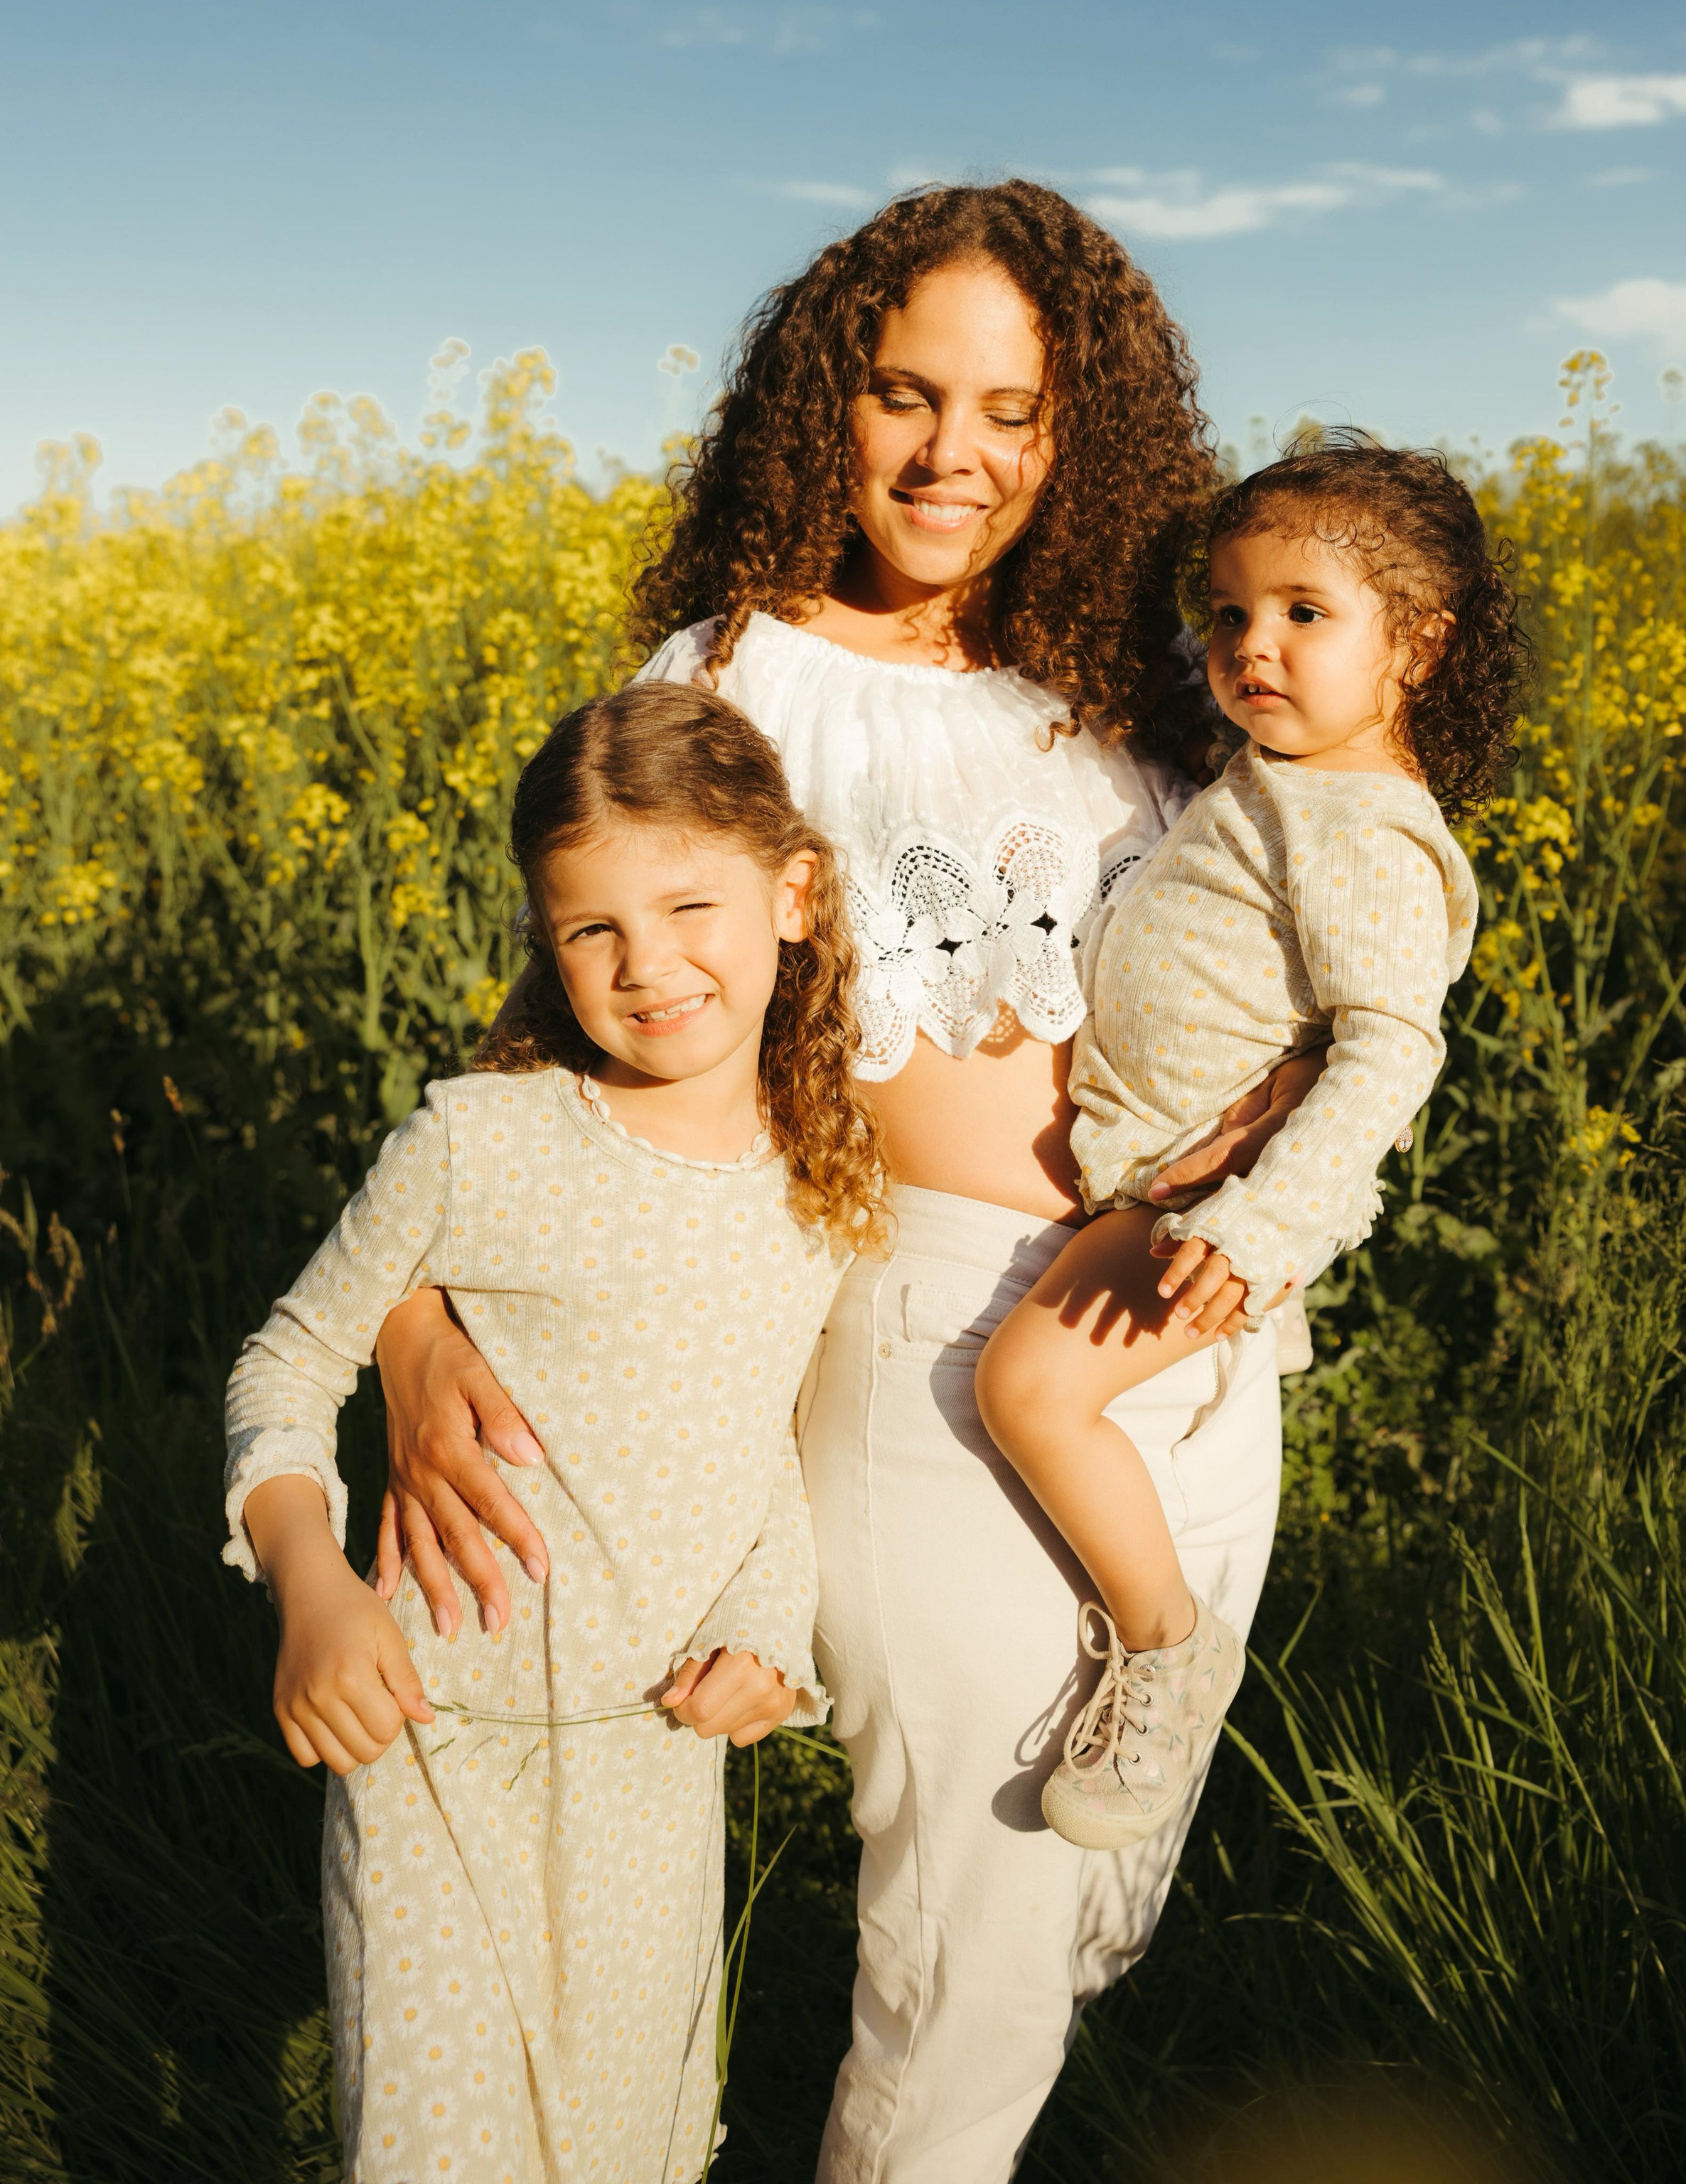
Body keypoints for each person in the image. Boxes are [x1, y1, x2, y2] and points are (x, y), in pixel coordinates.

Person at [369, 181, 1326, 2183]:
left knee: (1092, 1908)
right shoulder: (738, 678)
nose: (955, 455)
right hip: (949, 1341)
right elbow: (589, 1007)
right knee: (969, 1964)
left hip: (1204, 1329)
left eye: (1013, 410)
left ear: (1079, 437)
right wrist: (406, 1314)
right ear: (832, 401)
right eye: (907, 395)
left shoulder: (1146, 690)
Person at [221, 683, 887, 2183]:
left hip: (652, 1769)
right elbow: (286, 1360)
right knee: (435, 2153)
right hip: (434, 1752)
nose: (646, 966)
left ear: (791, 895)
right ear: (546, 938)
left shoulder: (821, 1183)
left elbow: (759, 1458)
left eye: (687, 907)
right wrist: (310, 1584)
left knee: (626, 2153)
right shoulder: (481, 1138)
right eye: (591, 930)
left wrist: (767, 1639)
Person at [977, 436, 1521, 1849]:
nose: (1246, 646)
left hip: (1206, 1196)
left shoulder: (1364, 827)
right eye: (1224, 614)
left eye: (1300, 613)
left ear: (1418, 643)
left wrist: (1258, 1230)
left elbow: (1391, 1046)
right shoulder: (1282, 772)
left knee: (1027, 1390)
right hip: (1165, 1174)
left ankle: (1166, 1650)